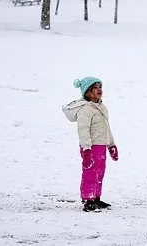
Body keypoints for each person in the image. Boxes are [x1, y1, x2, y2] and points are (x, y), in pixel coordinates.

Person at [62, 76, 118, 212]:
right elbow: (83, 130)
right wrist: (86, 149)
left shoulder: (102, 107)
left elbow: (106, 127)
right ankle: (88, 199)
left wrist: (111, 145)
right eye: (95, 88)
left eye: (100, 87)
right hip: (90, 147)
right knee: (90, 173)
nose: (99, 90)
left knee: (100, 172)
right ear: (87, 92)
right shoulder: (85, 109)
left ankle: (96, 198)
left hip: (101, 146)